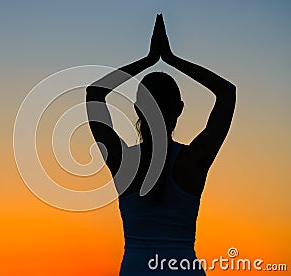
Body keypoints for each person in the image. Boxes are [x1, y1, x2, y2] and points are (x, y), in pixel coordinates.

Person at [86, 14, 236, 275]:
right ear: (179, 109)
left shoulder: (123, 161)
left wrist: (148, 59)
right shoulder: (194, 159)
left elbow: (95, 92)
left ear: (136, 110)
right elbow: (226, 92)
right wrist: (171, 59)